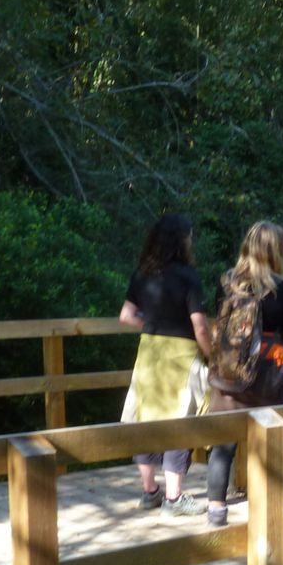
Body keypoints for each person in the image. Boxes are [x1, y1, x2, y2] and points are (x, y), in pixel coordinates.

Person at [205, 221, 283, 527]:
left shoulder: (227, 282)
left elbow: (218, 321)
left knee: (223, 447)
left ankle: (216, 511)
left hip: (229, 374)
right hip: (266, 375)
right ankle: (266, 513)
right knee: (268, 445)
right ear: (277, 252)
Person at [119, 212, 212, 516]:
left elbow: (126, 316)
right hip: (181, 356)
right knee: (180, 420)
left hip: (149, 352)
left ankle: (150, 492)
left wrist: (152, 322)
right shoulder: (188, 277)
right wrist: (212, 356)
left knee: (145, 417)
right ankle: (174, 498)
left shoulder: (142, 273)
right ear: (182, 241)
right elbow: (200, 327)